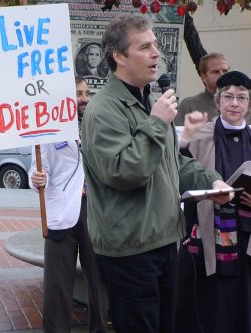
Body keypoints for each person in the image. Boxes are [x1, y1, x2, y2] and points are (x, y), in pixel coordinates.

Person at [81, 14, 234, 333]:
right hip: (130, 252)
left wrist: (211, 181)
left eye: (155, 45)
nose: (156, 53)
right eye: (145, 46)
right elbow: (124, 172)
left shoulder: (147, 100)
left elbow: (171, 161)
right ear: (119, 57)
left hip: (165, 241)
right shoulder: (103, 110)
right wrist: (154, 123)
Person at [28, 77, 108, 333]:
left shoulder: (99, 124)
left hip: (96, 211)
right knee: (57, 286)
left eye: (86, 93)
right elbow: (39, 169)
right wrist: (37, 177)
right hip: (62, 212)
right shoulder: (46, 128)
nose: (84, 98)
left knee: (99, 281)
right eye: (78, 94)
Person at [173, 70, 251, 333]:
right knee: (207, 307)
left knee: (241, 303)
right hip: (207, 232)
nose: (235, 104)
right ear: (217, 101)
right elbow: (179, 171)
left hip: (246, 238)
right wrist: (184, 139)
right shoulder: (200, 135)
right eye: (228, 97)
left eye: (242, 98)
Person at [175, 52, 230, 125]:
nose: (222, 75)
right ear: (203, 77)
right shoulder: (189, 105)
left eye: (225, 71)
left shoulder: (242, 104)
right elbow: (179, 135)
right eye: (216, 72)